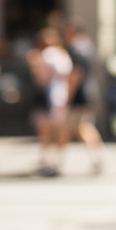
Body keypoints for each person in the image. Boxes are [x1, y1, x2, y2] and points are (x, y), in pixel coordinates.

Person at [27, 27, 73, 176]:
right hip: (47, 96)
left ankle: (53, 159)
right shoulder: (47, 55)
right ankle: (49, 158)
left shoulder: (54, 55)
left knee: (55, 128)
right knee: (47, 128)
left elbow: (49, 76)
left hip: (54, 96)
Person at [62, 19, 105, 174]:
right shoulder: (88, 47)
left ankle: (55, 160)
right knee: (80, 127)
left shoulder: (77, 50)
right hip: (88, 93)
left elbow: (75, 75)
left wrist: (67, 97)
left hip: (80, 95)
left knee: (77, 127)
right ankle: (97, 158)